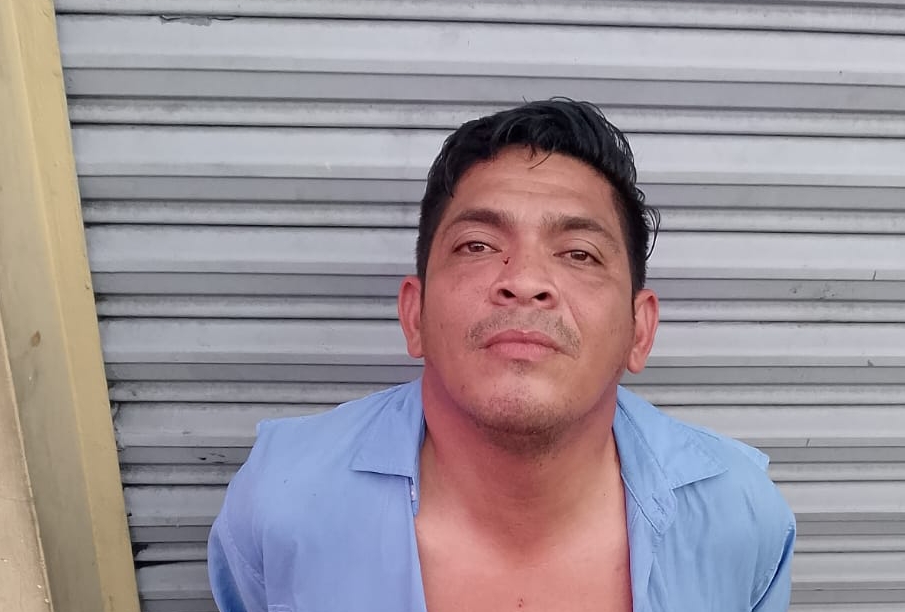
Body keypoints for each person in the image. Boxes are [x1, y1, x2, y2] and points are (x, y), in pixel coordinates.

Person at [207, 99, 796, 612]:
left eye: (580, 253)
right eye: (478, 245)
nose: (526, 280)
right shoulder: (280, 503)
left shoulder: (739, 516)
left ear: (638, 331)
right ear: (415, 315)